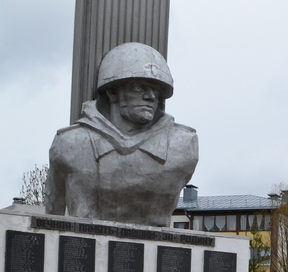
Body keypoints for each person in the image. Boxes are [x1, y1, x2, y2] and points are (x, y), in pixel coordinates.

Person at [46, 42, 198, 227]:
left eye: (155, 90)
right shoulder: (70, 144)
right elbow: (52, 217)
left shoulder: (183, 146)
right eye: (138, 88)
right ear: (112, 92)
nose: (151, 96)